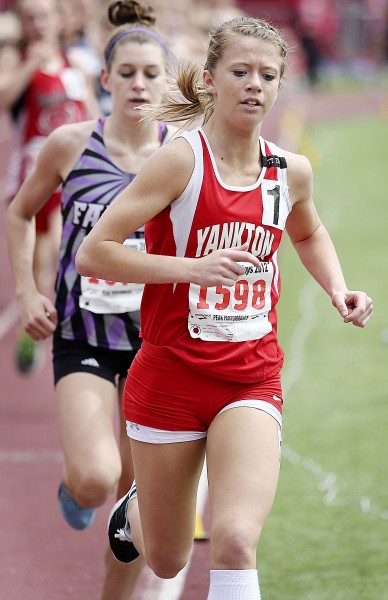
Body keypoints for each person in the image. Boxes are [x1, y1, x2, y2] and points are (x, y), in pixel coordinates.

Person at [75, 13, 373, 600]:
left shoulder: (291, 171)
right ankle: (137, 513)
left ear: (281, 86)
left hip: (250, 377)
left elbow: (307, 234)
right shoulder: (179, 161)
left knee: (235, 538)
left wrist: (337, 288)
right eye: (240, 71)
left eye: (268, 75)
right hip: (169, 376)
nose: (255, 84)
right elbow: (95, 252)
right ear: (210, 79)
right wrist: (190, 269)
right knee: (164, 559)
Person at [6, 1, 176, 598]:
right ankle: (72, 486)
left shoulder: (182, 154)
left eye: (151, 73)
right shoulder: (71, 144)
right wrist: (27, 291)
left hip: (158, 346)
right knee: (97, 479)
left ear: (168, 80)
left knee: (137, 515)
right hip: (84, 336)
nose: (138, 84)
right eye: (126, 72)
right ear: (103, 79)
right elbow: (21, 212)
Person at [0, 0, 99, 374]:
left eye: (44, 17)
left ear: (59, 20)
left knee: (58, 249)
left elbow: (91, 115)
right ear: (22, 25)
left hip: (73, 173)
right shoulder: (16, 57)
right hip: (33, 169)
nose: (38, 25)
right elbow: (3, 97)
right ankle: (37, 319)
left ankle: (53, 315)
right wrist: (31, 62)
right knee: (44, 256)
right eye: (30, 19)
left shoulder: (76, 64)